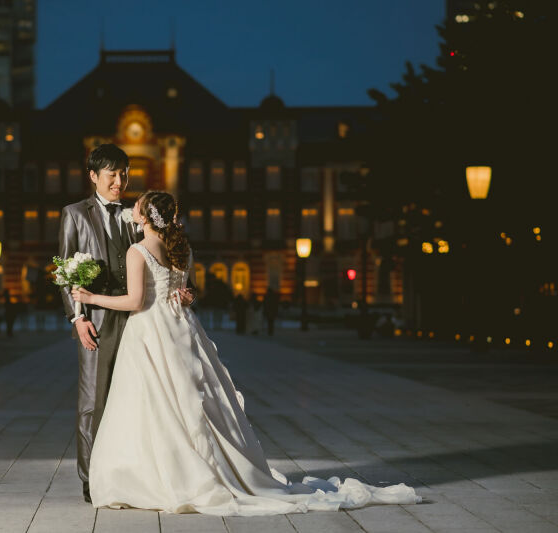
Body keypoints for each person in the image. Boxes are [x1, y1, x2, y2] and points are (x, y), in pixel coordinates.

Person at [72, 191, 420, 515]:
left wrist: (91, 299)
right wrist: (186, 296)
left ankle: (156, 475)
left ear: (147, 216)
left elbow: (135, 301)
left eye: (138, 205)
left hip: (149, 329)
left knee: (151, 402)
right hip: (181, 328)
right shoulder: (181, 249)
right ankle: (203, 467)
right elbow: (186, 290)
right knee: (191, 401)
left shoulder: (138, 251)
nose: (132, 206)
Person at [57, 145, 195, 503]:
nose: (120, 182)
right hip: (97, 318)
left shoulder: (135, 215)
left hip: (139, 315)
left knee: (136, 397)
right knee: (94, 400)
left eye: (124, 174)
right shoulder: (73, 214)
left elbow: (159, 256)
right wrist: (77, 318)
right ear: (93, 176)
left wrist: (181, 288)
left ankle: (133, 471)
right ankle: (91, 479)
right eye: (112, 175)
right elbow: (64, 273)